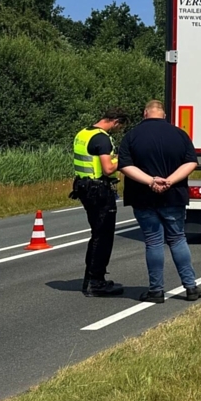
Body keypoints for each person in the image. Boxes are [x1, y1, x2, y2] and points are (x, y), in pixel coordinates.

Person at [117, 100, 201, 303]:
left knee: (153, 241)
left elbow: (125, 166)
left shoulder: (132, 136)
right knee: (177, 239)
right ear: (164, 115)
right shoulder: (179, 134)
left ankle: (156, 291)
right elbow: (191, 162)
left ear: (145, 113)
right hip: (173, 195)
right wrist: (169, 181)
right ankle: (190, 287)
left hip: (143, 196)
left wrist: (151, 181)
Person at [70, 107, 127, 297]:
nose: (118, 130)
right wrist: (123, 159)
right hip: (99, 190)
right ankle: (96, 282)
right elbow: (108, 169)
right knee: (103, 236)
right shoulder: (103, 139)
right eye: (120, 127)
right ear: (116, 122)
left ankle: (91, 279)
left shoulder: (83, 134)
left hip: (84, 187)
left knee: (97, 234)